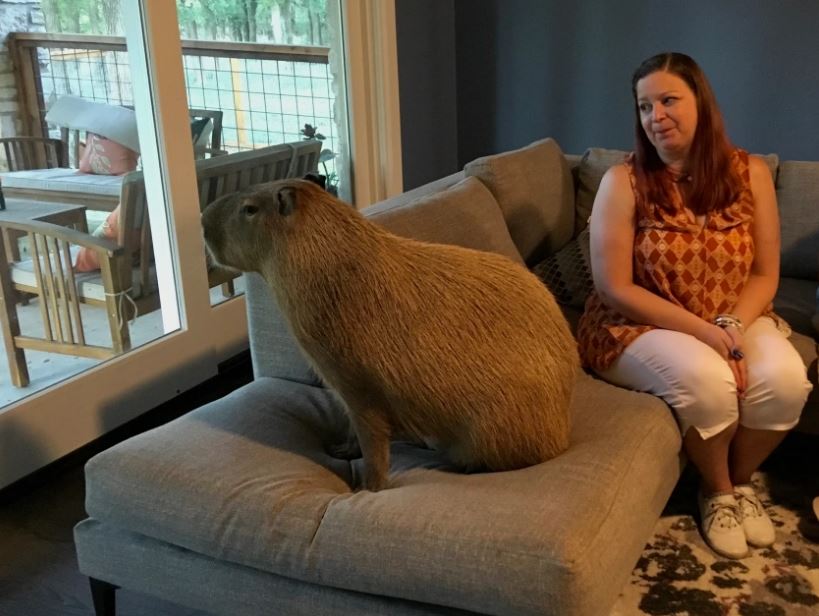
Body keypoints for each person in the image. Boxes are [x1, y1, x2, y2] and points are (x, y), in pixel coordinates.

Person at [577, 52, 813, 560]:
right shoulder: (623, 183)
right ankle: (718, 490)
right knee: (711, 380)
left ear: (701, 103)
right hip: (638, 323)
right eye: (644, 106)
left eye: (668, 100)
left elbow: (764, 275)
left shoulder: (749, 174)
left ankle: (742, 481)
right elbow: (614, 286)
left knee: (787, 380)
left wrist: (729, 324)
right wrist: (707, 335)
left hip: (733, 313)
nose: (655, 116)